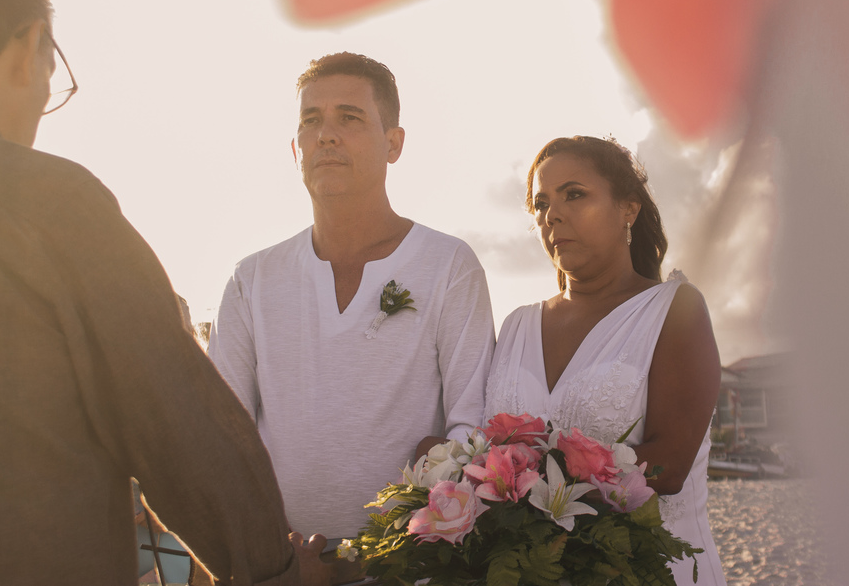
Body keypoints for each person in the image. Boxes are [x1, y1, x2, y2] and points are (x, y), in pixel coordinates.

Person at [0, 0, 306, 585]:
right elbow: (176, 417)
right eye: (52, 71)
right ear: (30, 45)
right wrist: (273, 569)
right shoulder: (48, 202)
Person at [207, 53, 495, 559]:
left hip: (414, 565)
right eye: (311, 121)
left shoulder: (449, 265)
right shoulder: (251, 279)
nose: (327, 134)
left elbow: (470, 427)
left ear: (394, 143)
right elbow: (224, 434)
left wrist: (408, 545)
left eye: (349, 116)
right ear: (294, 148)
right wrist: (270, 558)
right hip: (281, 566)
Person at [484, 136, 725, 586]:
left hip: (654, 569)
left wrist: (522, 489)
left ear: (627, 209)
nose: (551, 214)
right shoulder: (516, 326)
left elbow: (669, 466)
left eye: (574, 194)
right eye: (540, 203)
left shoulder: (674, 309)